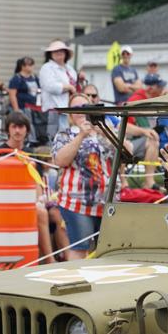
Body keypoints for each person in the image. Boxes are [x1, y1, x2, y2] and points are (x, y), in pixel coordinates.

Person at [52, 93, 131, 260]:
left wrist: (104, 131)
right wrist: (81, 135)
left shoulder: (104, 130)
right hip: (77, 202)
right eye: (75, 109)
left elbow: (128, 152)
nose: (80, 112)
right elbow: (60, 160)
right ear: (70, 114)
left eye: (84, 107)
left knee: (110, 250)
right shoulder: (65, 134)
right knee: (80, 248)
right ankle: (75, 282)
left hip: (107, 201)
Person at [3, 111, 69, 262]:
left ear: (27, 130)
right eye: (14, 127)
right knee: (41, 212)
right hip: (10, 201)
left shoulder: (30, 154)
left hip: (32, 198)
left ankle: (69, 259)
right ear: (8, 129)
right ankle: (49, 261)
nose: (17, 131)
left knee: (57, 213)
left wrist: (40, 199)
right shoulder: (0, 153)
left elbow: (37, 181)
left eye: (21, 127)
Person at [124, 74, 166, 188]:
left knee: (154, 140)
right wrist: (144, 131)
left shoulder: (153, 99)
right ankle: (149, 182)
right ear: (151, 89)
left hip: (147, 141)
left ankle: (149, 182)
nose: (163, 89)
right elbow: (125, 127)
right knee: (152, 140)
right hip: (129, 143)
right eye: (160, 87)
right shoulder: (135, 101)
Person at [38, 40, 77, 143]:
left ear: (66, 53)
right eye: (55, 51)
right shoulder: (47, 68)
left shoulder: (70, 69)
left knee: (68, 138)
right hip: (53, 110)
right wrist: (68, 87)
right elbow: (50, 86)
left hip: (68, 110)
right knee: (55, 139)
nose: (58, 53)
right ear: (50, 54)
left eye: (61, 51)